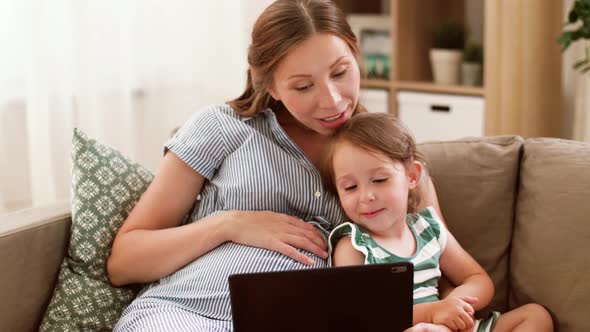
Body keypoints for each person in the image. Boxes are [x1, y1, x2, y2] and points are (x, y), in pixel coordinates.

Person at [108, 0, 446, 331]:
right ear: (269, 84)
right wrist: (230, 224)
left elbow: (437, 264)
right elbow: (124, 262)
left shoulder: (390, 158)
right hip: (186, 312)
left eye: (341, 72)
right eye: (303, 86)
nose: (332, 99)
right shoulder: (220, 127)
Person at [323, 112, 554, 332]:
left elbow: (479, 280)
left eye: (380, 180)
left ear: (412, 176)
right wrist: (434, 312)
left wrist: (454, 305)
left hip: (452, 325)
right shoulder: (353, 244)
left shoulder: (428, 228)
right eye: (350, 187)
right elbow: (359, 315)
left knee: (535, 316)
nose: (366, 196)